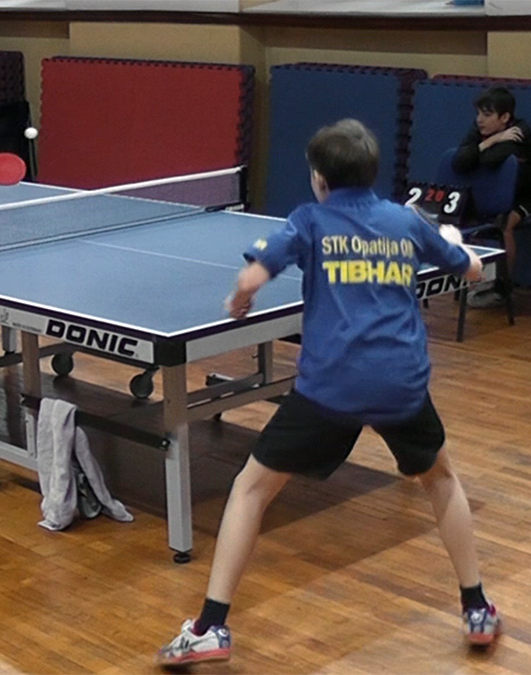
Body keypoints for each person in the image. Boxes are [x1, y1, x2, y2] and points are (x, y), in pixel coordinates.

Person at [155, 119, 499, 667]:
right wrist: (460, 250)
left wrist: (240, 301)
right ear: (373, 172)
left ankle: (210, 627)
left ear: (319, 178)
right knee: (440, 480)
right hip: (401, 384)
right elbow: (473, 271)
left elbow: (252, 278)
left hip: (329, 390)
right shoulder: (405, 221)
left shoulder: (309, 221)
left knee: (251, 490)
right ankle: (476, 607)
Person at [452, 86, 531, 309]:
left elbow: (490, 161)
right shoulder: (480, 130)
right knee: (473, 221)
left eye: (487, 115)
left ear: (505, 117)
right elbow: (459, 162)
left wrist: (481, 149)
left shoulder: (519, 131)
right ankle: (481, 280)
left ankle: (502, 288)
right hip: (502, 192)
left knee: (504, 225)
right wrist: (492, 140)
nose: (479, 120)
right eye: (478, 113)